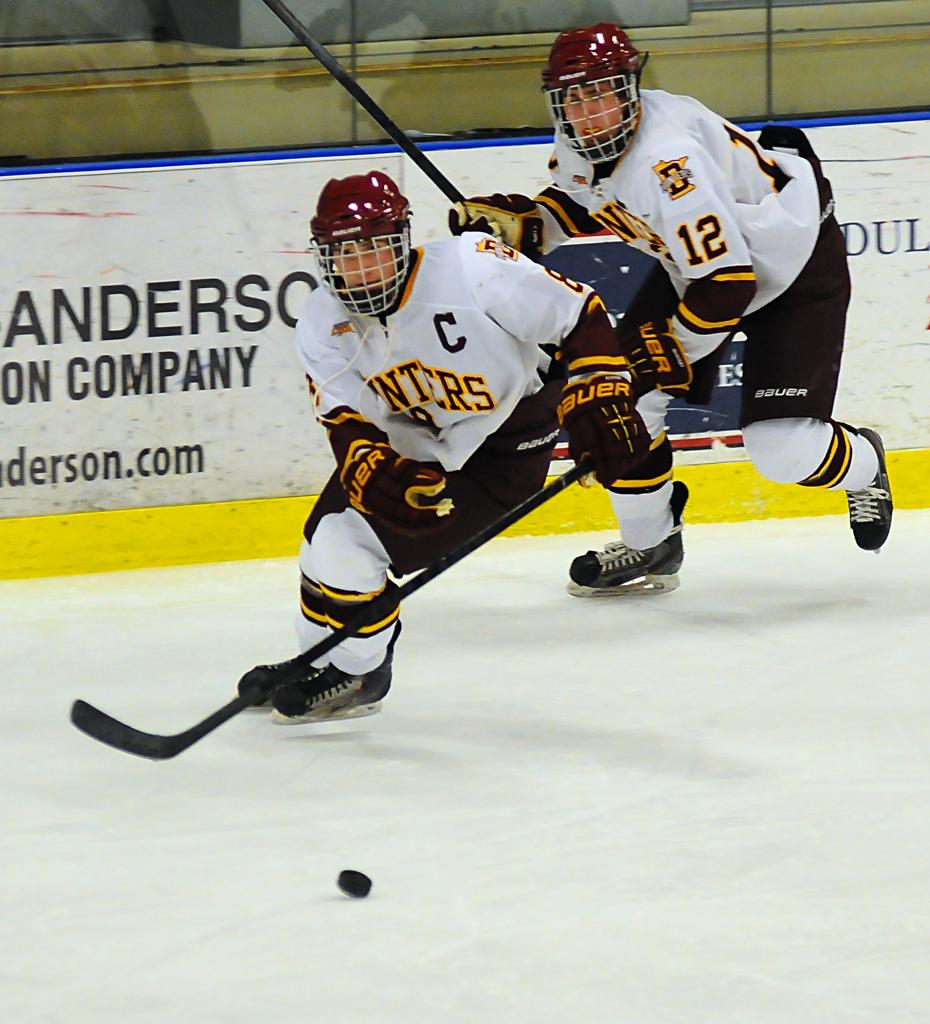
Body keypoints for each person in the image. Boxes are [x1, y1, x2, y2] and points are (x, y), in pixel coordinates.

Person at [450, 23, 893, 597]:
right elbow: (592, 203)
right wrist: (530, 226)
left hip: (791, 264)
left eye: (603, 92)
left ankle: (865, 464)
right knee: (622, 398)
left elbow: (729, 283)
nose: (590, 112)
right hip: (699, 266)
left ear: (630, 88)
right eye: (575, 97)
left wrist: (669, 349)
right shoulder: (582, 143)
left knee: (782, 449)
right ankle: (651, 542)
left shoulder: (668, 160)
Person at [260, 169, 649, 723]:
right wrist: (375, 470)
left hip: (504, 446)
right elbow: (346, 424)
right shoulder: (323, 320)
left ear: (402, 240)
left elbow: (577, 313)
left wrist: (600, 391)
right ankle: (316, 659)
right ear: (324, 258)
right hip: (413, 442)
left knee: (346, 548)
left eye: (374, 247)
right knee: (320, 542)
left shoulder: (473, 266)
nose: (362, 267)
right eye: (346, 253)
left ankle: (359, 671)